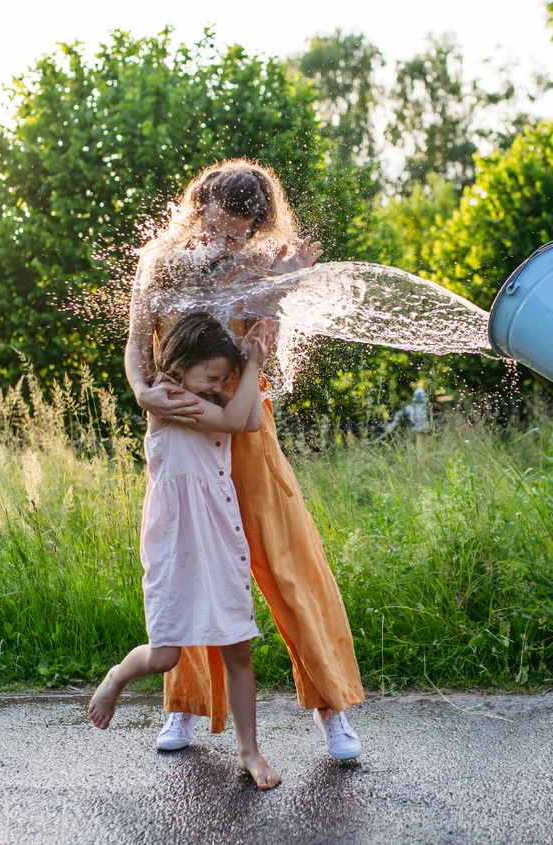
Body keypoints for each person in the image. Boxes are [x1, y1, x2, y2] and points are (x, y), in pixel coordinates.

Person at [124, 160, 366, 760]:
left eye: (239, 233)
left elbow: (264, 354)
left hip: (245, 430)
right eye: (218, 227)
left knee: (288, 562)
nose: (227, 240)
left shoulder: (264, 266)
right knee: (187, 564)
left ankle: (331, 707)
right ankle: (184, 704)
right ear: (198, 207)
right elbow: (136, 343)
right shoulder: (159, 262)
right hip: (182, 429)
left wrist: (278, 292)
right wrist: (142, 391)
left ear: (256, 228)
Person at [88, 312, 281, 788]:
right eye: (211, 377)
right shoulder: (167, 398)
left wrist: (245, 368)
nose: (217, 387)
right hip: (176, 543)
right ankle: (117, 677)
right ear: (178, 368)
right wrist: (252, 368)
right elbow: (236, 419)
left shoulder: (208, 398)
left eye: (222, 379)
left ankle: (249, 752)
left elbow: (252, 418)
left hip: (218, 536)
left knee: (237, 648)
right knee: (165, 657)